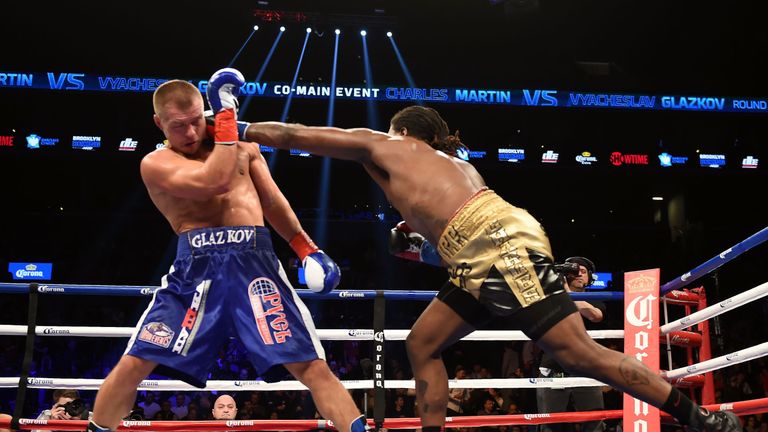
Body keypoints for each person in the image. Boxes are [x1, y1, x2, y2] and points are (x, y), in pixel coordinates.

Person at [237, 105, 741, 432]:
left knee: (580, 355)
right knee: (422, 343)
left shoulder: (397, 145)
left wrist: (239, 129)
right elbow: (442, 234)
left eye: (391, 133)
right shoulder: (452, 167)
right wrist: (415, 240)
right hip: (479, 251)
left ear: (406, 133)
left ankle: (699, 419)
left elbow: (301, 134)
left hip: (494, 244)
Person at [86, 68, 368, 432]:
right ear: (158, 122)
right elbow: (212, 181)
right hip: (195, 270)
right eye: (177, 126)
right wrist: (226, 116)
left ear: (203, 110)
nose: (189, 133)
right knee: (135, 362)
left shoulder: (246, 150)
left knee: (311, 365)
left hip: (256, 265)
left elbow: (273, 204)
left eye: (193, 122)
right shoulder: (156, 163)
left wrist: (306, 248)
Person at [537, 256, 606, 432]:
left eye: (583, 272)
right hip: (554, 368)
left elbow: (595, 316)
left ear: (590, 277)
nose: (578, 275)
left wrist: (567, 292)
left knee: (594, 423)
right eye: (574, 271)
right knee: (549, 425)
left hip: (588, 370)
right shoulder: (551, 296)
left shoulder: (596, 299)